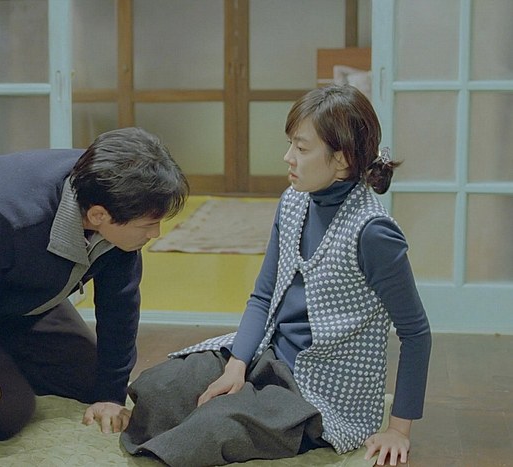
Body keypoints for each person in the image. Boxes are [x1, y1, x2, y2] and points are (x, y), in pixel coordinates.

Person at [120, 85, 432, 467]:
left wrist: (399, 430)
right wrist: (236, 365)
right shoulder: (293, 201)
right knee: (160, 389)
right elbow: (263, 296)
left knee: (212, 425)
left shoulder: (373, 233)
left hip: (319, 394)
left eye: (301, 148)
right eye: (290, 145)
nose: (288, 157)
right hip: (268, 355)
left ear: (342, 160)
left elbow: (416, 333)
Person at [0, 127, 189, 441]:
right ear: (99, 215)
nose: (155, 234)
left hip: (21, 294)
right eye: (149, 224)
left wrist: (111, 396)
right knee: (6, 413)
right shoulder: (1, 215)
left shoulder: (116, 195)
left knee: (96, 381)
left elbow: (119, 307)